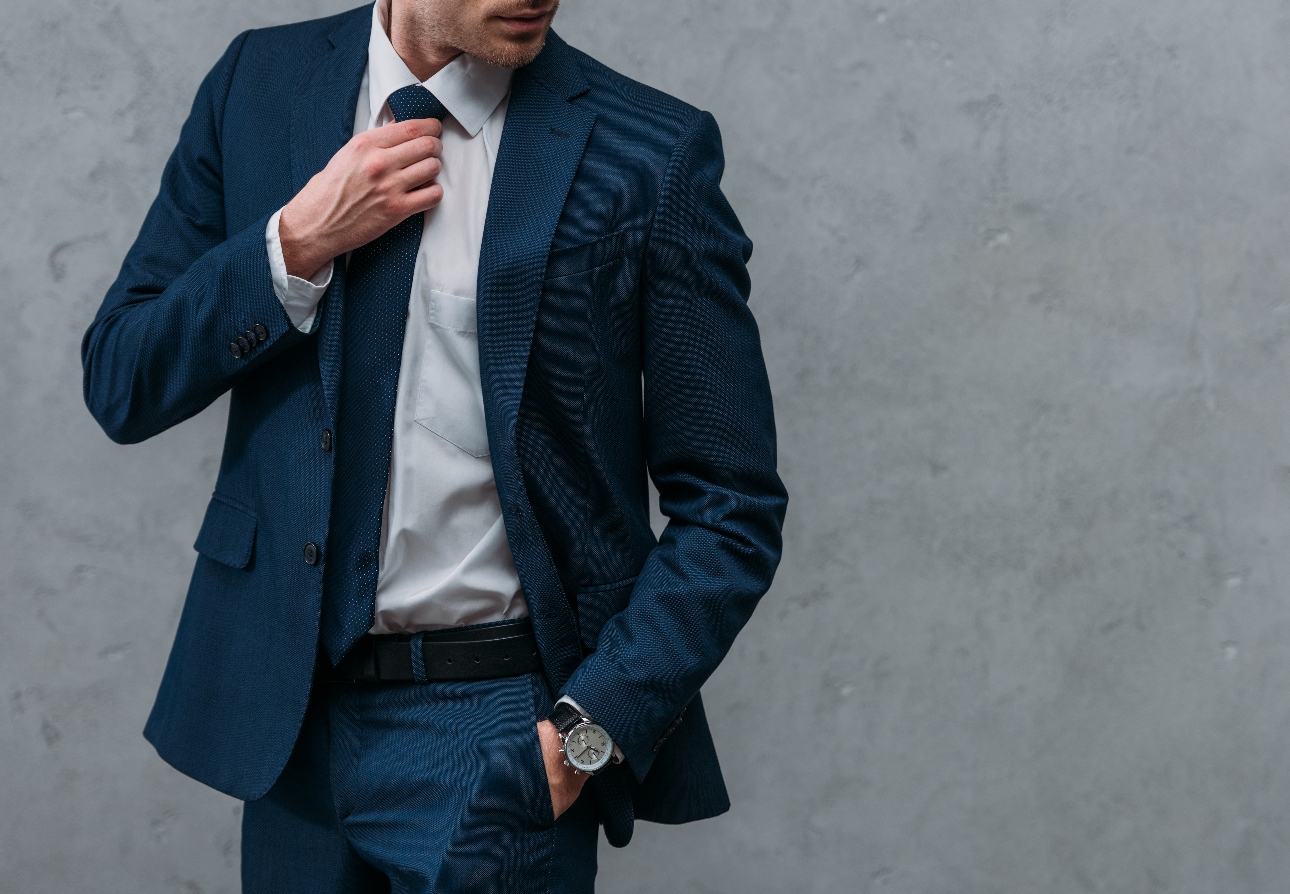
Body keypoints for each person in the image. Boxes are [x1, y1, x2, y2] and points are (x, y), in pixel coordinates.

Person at [81, 0, 787, 889]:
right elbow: (121, 381)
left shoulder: (649, 152)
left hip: (497, 729)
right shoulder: (256, 87)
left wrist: (581, 741)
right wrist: (294, 245)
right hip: (290, 723)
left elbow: (733, 510)